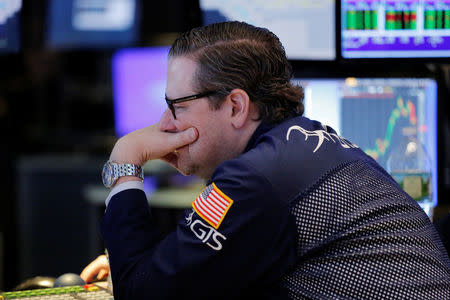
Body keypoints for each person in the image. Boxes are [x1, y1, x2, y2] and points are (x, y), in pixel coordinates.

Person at [96, 21, 450, 299]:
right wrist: (150, 263)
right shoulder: (310, 145)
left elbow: (141, 293)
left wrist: (125, 160)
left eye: (178, 106)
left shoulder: (257, 180)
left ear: (235, 106)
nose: (165, 124)